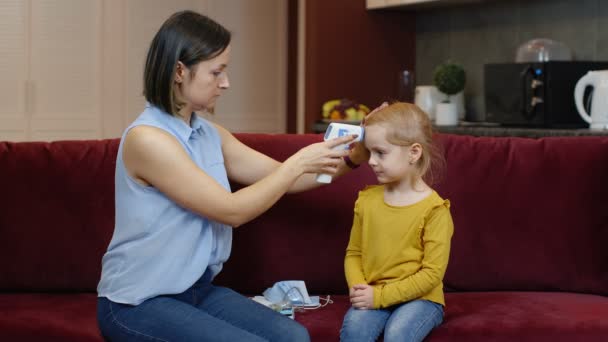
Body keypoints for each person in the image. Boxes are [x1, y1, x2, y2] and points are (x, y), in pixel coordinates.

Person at [96, 10, 364, 342]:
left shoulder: (210, 134)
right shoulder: (148, 139)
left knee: (293, 337)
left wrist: (355, 157)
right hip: (136, 303)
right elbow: (231, 210)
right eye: (216, 72)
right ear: (180, 71)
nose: (226, 83)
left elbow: (285, 179)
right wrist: (296, 163)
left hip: (196, 291)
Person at [340, 102, 454, 342]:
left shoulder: (434, 209)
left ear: (414, 152)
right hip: (373, 292)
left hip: (421, 299)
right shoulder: (367, 200)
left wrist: (380, 297)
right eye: (370, 152)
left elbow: (431, 275)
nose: (370, 161)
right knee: (354, 333)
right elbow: (354, 253)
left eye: (380, 153)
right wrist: (360, 289)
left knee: (398, 335)